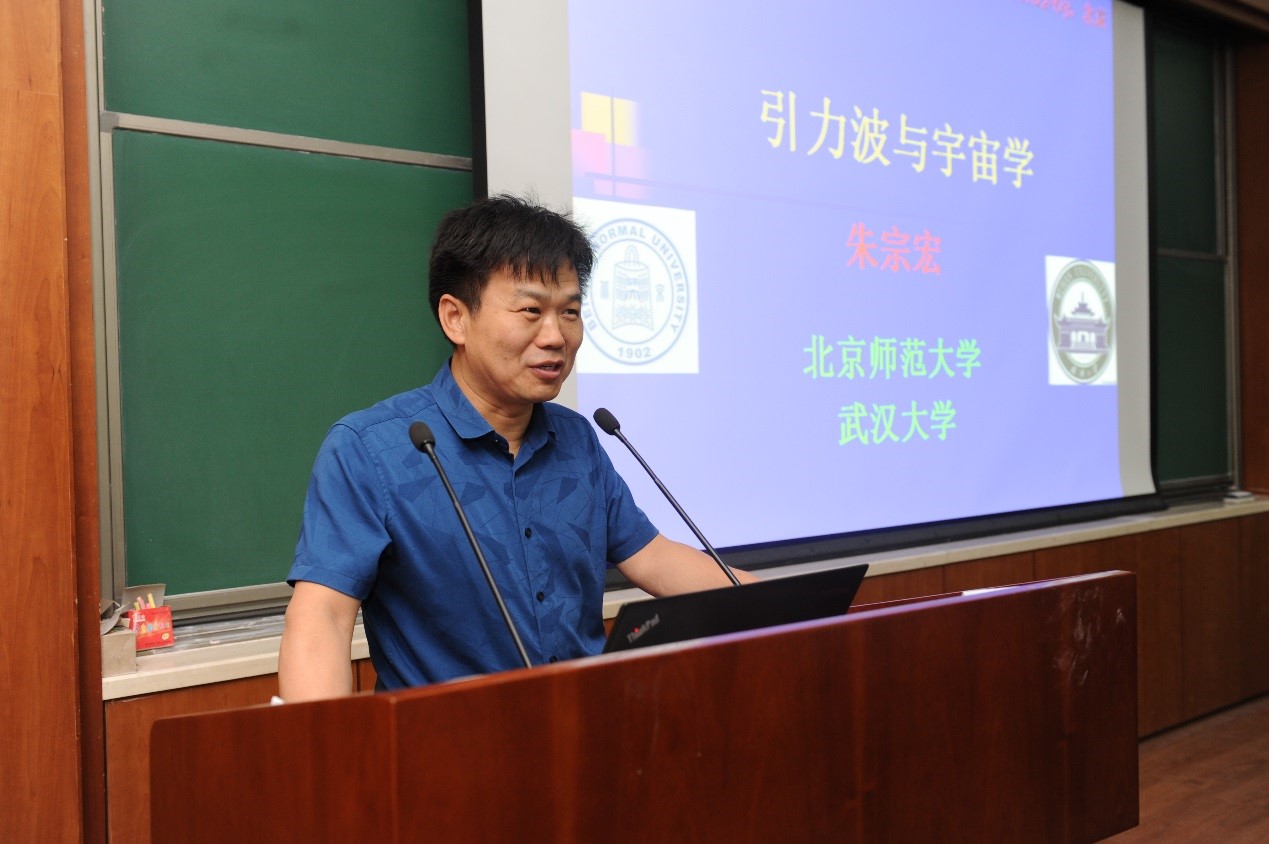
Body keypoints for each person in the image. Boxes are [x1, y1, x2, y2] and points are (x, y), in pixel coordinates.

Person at [278, 195, 754, 701]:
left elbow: (653, 558)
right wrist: (321, 744)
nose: (556, 336)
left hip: (584, 730)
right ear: (456, 318)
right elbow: (324, 617)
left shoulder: (577, 439)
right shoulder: (373, 449)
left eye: (570, 312)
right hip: (446, 741)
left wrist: (788, 607)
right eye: (531, 311)